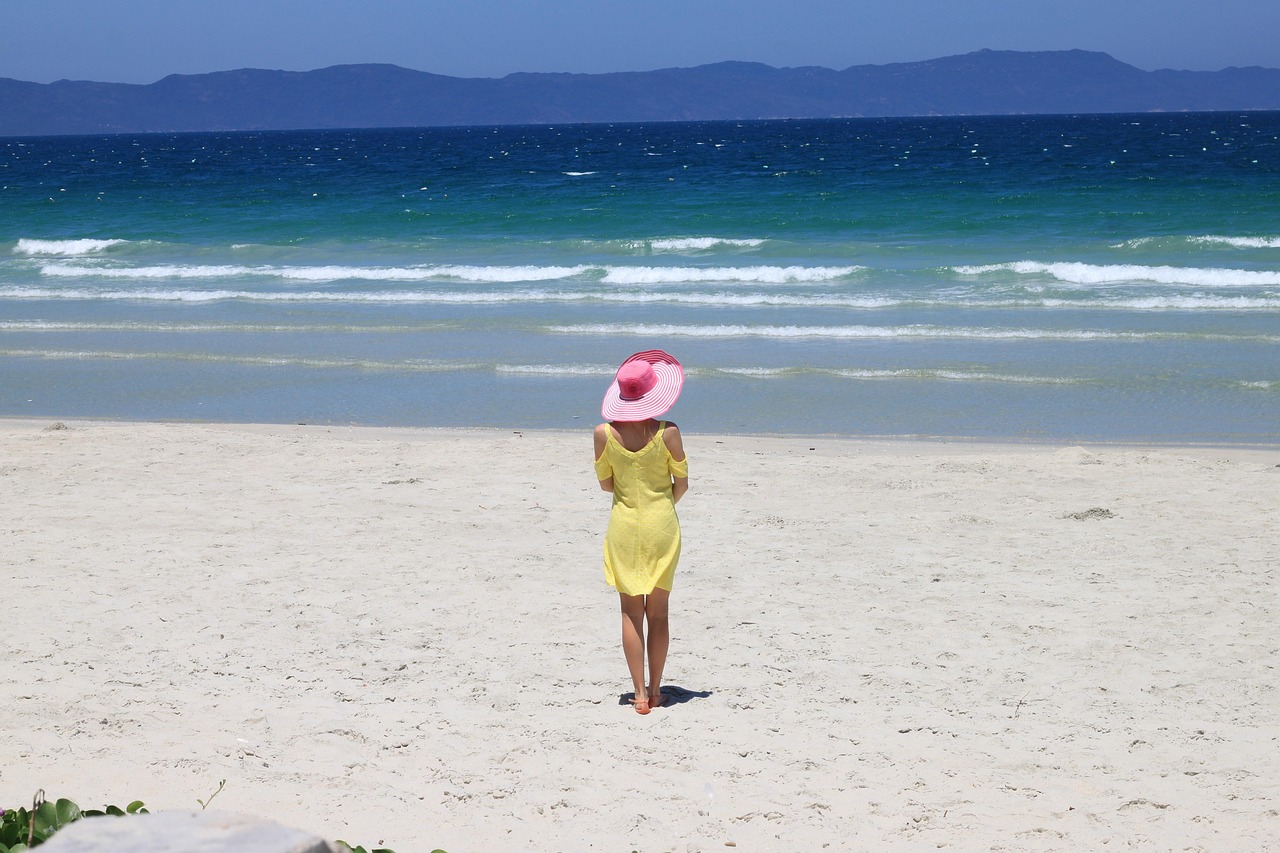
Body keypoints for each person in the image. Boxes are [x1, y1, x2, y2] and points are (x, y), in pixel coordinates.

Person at [593, 349, 689, 715]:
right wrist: (661, 505)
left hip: (623, 524)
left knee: (630, 612)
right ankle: (656, 689)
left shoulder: (603, 433)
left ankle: (638, 695)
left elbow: (606, 485)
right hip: (662, 524)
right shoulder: (669, 433)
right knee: (659, 613)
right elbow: (681, 484)